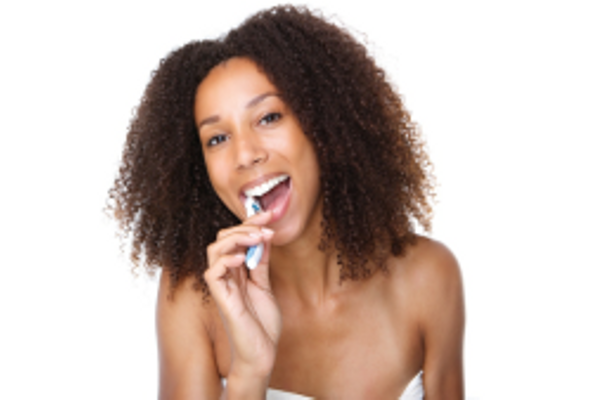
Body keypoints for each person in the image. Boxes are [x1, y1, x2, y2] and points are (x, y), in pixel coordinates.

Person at [108, 5, 465, 399]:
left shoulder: (428, 278)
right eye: (217, 138)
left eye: (268, 117)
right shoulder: (194, 294)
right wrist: (250, 370)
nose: (245, 155)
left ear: (323, 122)